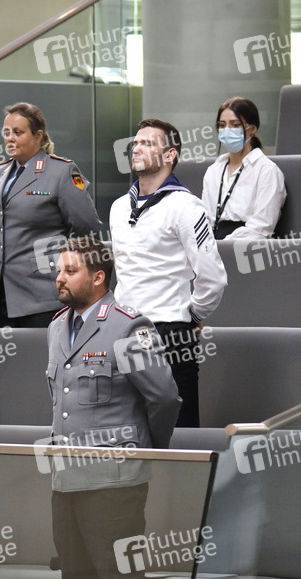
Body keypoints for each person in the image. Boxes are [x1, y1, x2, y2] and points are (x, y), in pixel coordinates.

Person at [46, 235, 181, 579]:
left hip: (113, 485)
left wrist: (145, 451)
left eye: (70, 271)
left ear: (98, 277)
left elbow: (164, 397)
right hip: (65, 481)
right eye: (58, 270)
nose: (59, 278)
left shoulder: (128, 327)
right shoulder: (57, 327)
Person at [109, 118, 227, 427]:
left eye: (148, 143)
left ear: (170, 155)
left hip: (169, 333)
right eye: (136, 143)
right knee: (126, 426)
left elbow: (212, 277)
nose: (137, 148)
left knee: (177, 431)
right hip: (123, 330)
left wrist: (192, 315)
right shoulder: (118, 207)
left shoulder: (186, 206)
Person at [0, 102, 102, 327]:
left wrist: (67, 267)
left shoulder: (61, 171)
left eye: (18, 133)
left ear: (38, 136)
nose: (10, 139)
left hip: (42, 293)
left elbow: (87, 228)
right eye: (7, 133)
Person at [200, 97, 286, 239]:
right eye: (222, 125)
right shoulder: (213, 171)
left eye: (235, 125)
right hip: (213, 243)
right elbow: (205, 219)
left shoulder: (266, 170)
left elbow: (262, 227)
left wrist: (225, 245)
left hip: (246, 245)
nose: (227, 130)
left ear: (251, 129)